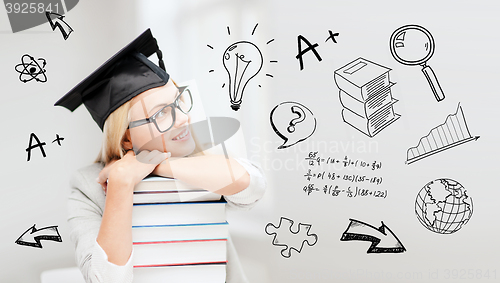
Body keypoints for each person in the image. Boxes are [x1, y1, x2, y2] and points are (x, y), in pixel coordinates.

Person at [56, 29, 266, 283]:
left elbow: (252, 186)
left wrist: (156, 163)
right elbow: (105, 279)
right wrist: (121, 182)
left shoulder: (202, 155)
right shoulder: (88, 186)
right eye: (162, 114)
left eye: (179, 102)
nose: (183, 118)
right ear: (126, 138)